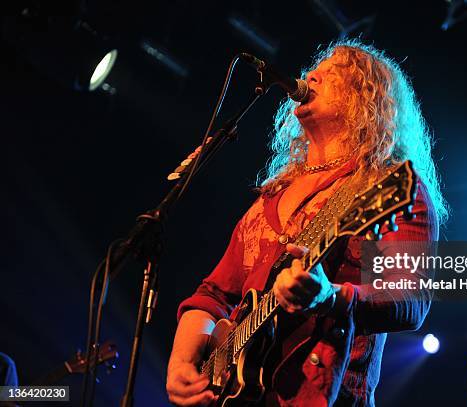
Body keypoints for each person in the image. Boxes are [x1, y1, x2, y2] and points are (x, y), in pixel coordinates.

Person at [166, 39, 447, 406]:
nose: (310, 75)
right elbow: (214, 295)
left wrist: (329, 297)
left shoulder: (387, 187)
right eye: (315, 70)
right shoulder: (270, 197)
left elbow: (409, 298)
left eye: (332, 76)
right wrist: (182, 361)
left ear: (366, 100)